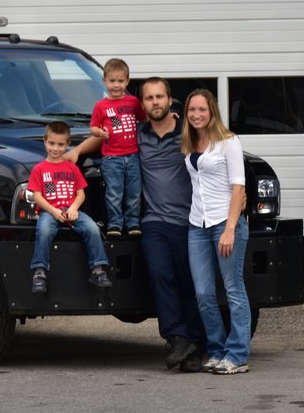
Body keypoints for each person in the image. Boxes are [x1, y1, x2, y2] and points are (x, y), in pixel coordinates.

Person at [67, 78, 205, 372]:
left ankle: (194, 342)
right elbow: (104, 137)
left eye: (160, 97)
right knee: (159, 275)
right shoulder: (137, 135)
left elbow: (221, 145)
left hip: (189, 221)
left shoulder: (187, 132)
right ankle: (177, 338)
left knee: (189, 281)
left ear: (170, 100)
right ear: (141, 105)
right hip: (153, 221)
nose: (155, 102)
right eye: (149, 98)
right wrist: (77, 152)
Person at [182, 88, 251, 375]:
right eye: (192, 110)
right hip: (197, 225)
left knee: (233, 289)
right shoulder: (188, 143)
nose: (197, 115)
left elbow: (239, 188)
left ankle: (238, 355)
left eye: (202, 110)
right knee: (203, 293)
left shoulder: (228, 142)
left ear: (212, 112)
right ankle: (217, 349)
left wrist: (231, 229)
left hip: (226, 223)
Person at [29, 121, 113, 294]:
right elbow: (38, 196)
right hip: (50, 211)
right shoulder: (39, 169)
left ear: (68, 145)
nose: (55, 148)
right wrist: (53, 211)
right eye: (52, 143)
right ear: (45, 142)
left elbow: (81, 194)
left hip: (71, 210)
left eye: (61, 144)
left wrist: (73, 208)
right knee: (43, 230)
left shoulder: (72, 168)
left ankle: (97, 270)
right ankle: (39, 272)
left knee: (92, 228)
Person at [90, 58, 146, 238]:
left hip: (133, 156)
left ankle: (132, 222)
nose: (116, 85)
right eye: (112, 81)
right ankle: (114, 223)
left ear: (127, 81)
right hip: (111, 158)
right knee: (114, 192)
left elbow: (145, 119)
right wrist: (100, 133)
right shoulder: (101, 106)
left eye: (121, 81)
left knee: (134, 192)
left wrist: (169, 116)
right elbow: (93, 127)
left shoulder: (133, 102)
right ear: (104, 81)